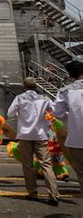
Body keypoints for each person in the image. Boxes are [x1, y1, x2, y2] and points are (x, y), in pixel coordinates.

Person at [7, 77, 59, 206]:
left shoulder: (20, 98)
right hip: (41, 134)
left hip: (25, 135)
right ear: (36, 86)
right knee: (46, 164)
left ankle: (32, 193)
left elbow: (10, 114)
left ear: (24, 86)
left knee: (28, 165)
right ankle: (53, 194)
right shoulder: (45, 98)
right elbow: (55, 112)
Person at [53, 60, 83, 193]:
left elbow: (57, 113)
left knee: (81, 173)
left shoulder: (64, 91)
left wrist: (71, 117)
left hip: (76, 138)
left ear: (70, 75)